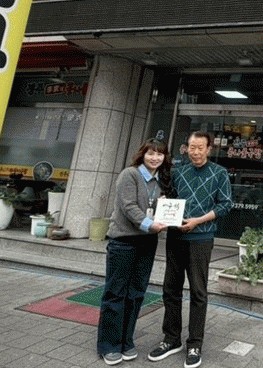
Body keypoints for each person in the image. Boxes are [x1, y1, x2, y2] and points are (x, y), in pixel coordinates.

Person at [149, 130, 232, 368]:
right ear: (186, 148)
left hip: (201, 238)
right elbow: (168, 197)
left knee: (198, 292)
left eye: (200, 148)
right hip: (175, 237)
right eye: (191, 147)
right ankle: (171, 339)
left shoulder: (219, 173)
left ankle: (195, 344)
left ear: (209, 149)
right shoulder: (178, 172)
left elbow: (226, 204)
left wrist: (198, 221)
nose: (195, 152)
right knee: (170, 289)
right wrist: (163, 204)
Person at [97, 138, 172, 365]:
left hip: (147, 243)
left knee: (136, 293)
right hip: (124, 241)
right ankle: (109, 346)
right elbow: (128, 206)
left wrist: (165, 208)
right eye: (151, 153)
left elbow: (156, 209)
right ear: (142, 154)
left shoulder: (161, 180)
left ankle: (126, 342)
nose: (155, 158)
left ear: (164, 157)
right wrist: (151, 225)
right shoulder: (129, 174)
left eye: (159, 154)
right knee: (116, 293)